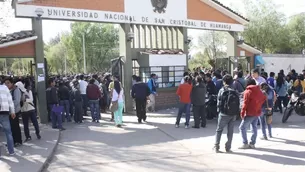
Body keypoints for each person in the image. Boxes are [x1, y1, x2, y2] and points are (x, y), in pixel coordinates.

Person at [214, 75, 239, 153]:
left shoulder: (222, 90)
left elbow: (219, 102)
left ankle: (216, 146)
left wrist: (219, 111)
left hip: (224, 113)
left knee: (219, 130)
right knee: (230, 131)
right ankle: (228, 147)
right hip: (233, 114)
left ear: (224, 81)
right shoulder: (234, 90)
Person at [239, 78, 266, 149]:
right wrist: (258, 104)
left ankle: (245, 143)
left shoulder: (248, 92)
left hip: (249, 112)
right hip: (257, 112)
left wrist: (242, 112)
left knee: (242, 128)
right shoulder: (259, 91)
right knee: (254, 127)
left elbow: (245, 103)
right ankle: (252, 143)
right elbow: (263, 98)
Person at [4, 77, 22, 147]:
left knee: (15, 127)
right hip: (8, 112)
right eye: (5, 83)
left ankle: (18, 141)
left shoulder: (16, 90)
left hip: (14, 111)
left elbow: (17, 101)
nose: (7, 84)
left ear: (12, 83)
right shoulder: (7, 90)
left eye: (8, 83)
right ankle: (11, 141)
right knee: (9, 127)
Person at [0, 83, 16, 156]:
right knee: (8, 132)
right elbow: (10, 101)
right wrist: (12, 111)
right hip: (4, 112)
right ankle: (11, 151)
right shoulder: (5, 88)